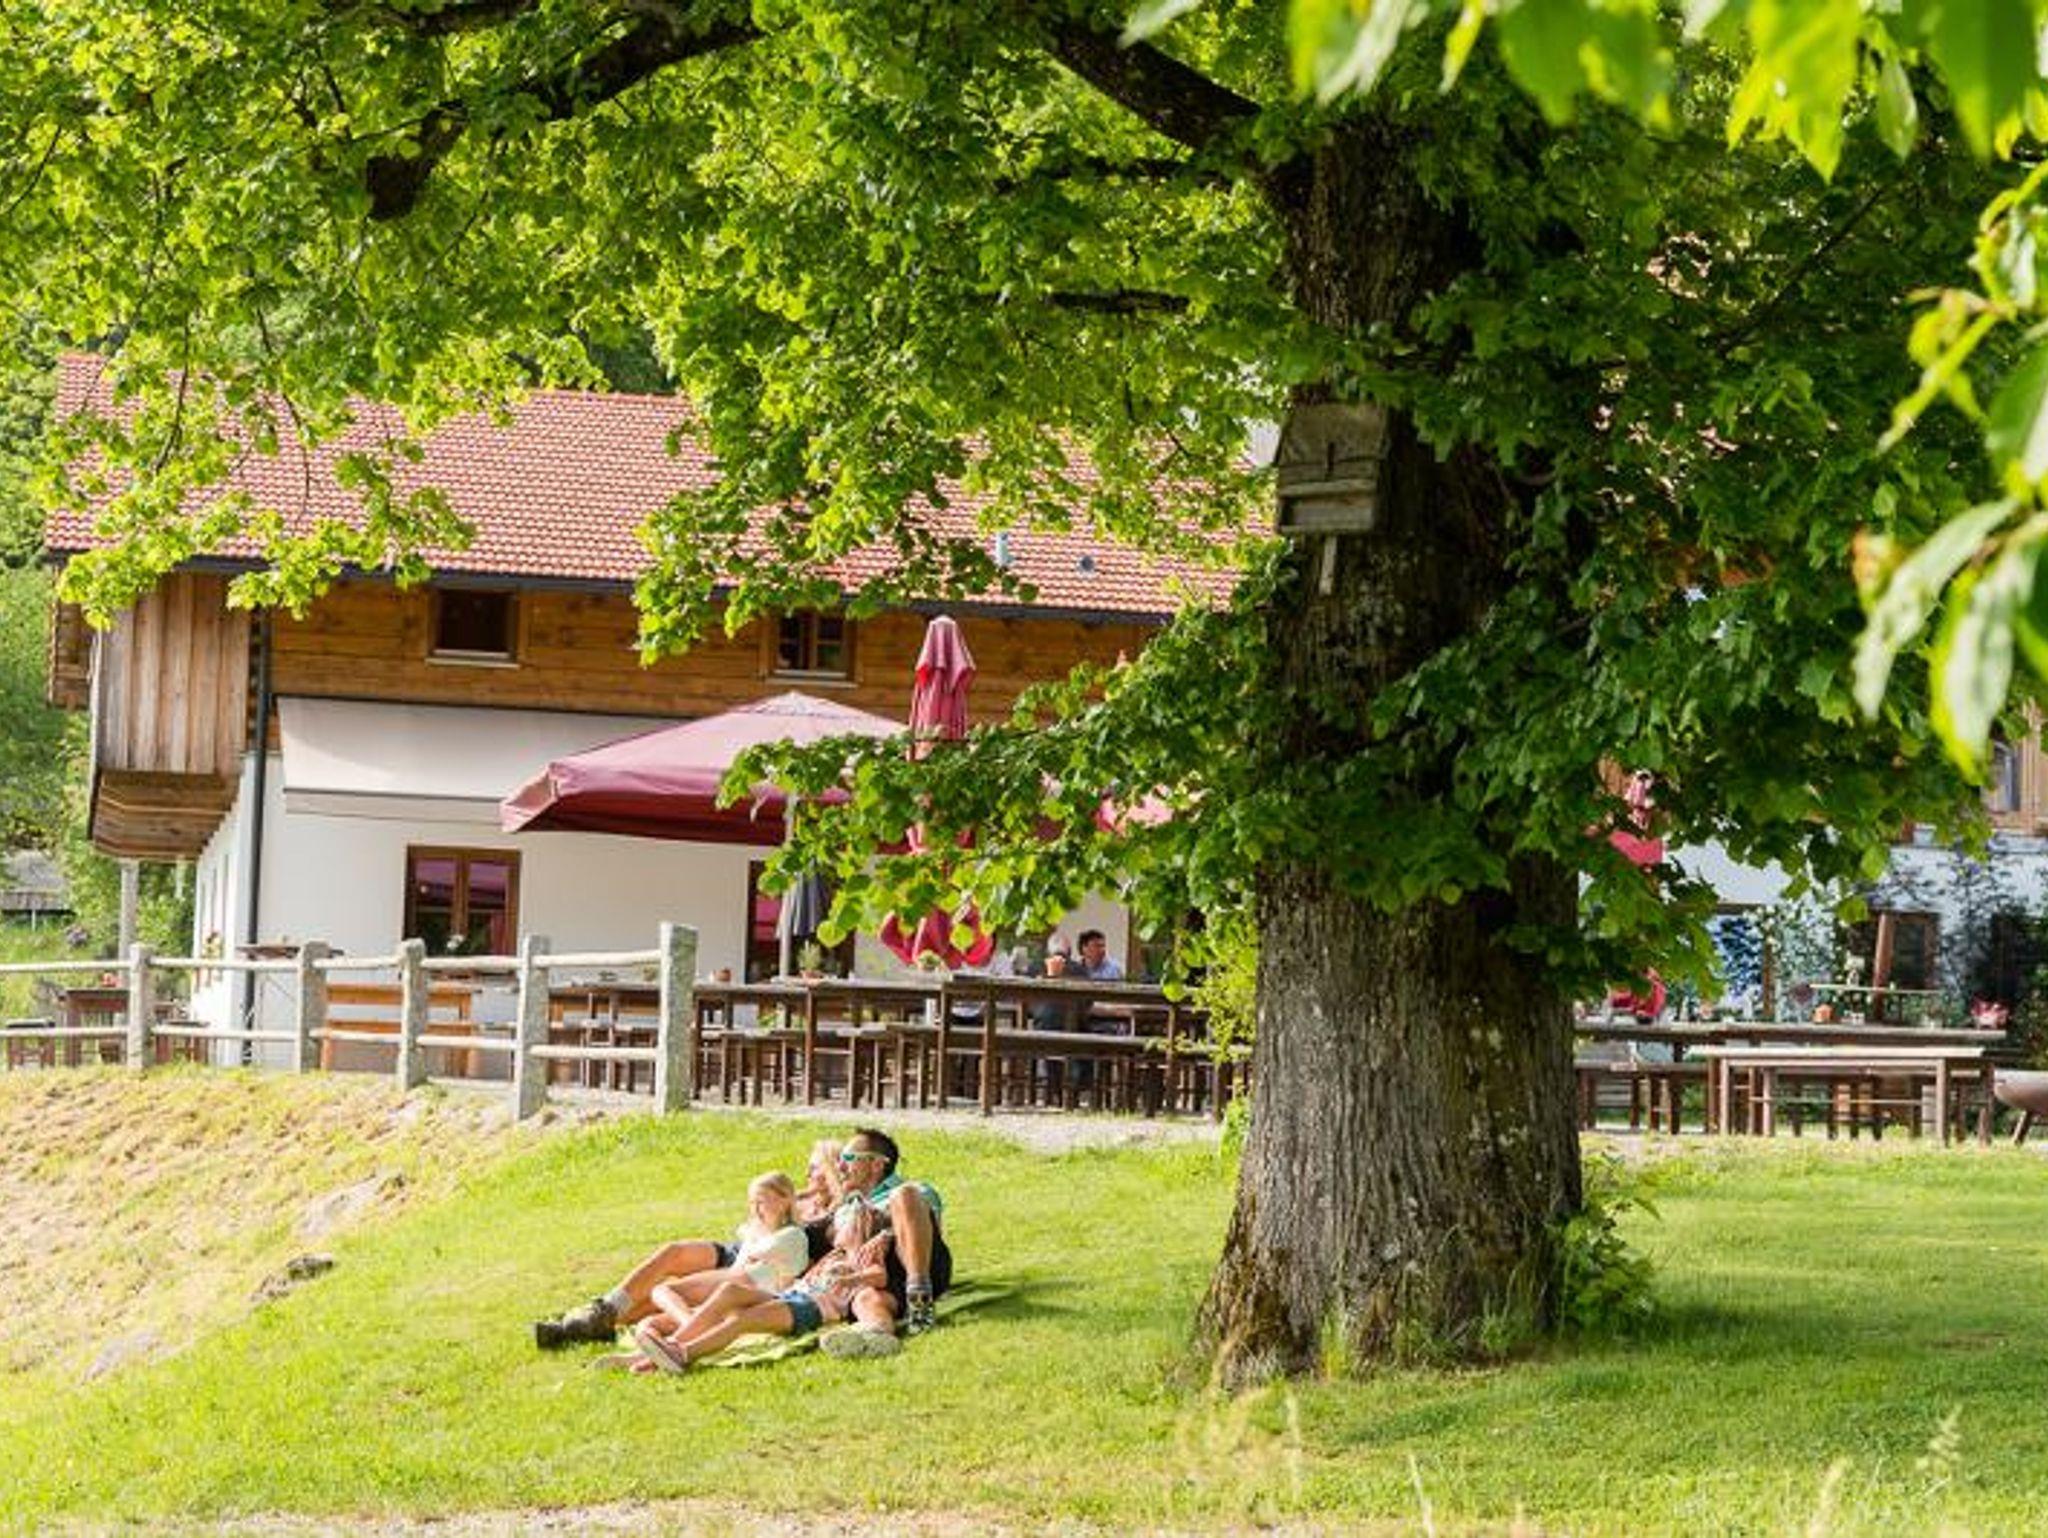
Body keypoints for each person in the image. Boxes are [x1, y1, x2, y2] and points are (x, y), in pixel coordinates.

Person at [535, 1166, 808, 1350]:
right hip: (738, 1273)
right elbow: (748, 1248)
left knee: (663, 1291)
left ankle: (690, 1330)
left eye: (761, 1201)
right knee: (651, 1311)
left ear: (785, 1200)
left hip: (747, 1284)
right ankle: (579, 1324)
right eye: (752, 1203)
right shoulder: (760, 1232)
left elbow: (757, 1264)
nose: (755, 1210)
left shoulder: (790, 1236)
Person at [630, 1201, 899, 1371]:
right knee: (729, 1292)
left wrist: (851, 1279)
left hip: (810, 1308)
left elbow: (879, 1276)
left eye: (843, 1224)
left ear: (860, 1227)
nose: (835, 1228)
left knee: (741, 1320)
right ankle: (671, 1346)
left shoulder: (863, 1255)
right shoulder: (834, 1255)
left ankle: (682, 1353)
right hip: (791, 1295)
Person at [830, 1126, 951, 1339]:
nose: (840, 1166)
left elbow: (925, 1227)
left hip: (922, 1269)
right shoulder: (847, 1208)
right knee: (867, 1300)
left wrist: (888, 1234)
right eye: (840, 1159)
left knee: (903, 1196)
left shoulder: (914, 1189)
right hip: (882, 1278)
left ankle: (920, 1301)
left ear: (877, 1164)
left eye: (848, 1158)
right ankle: (877, 1338)